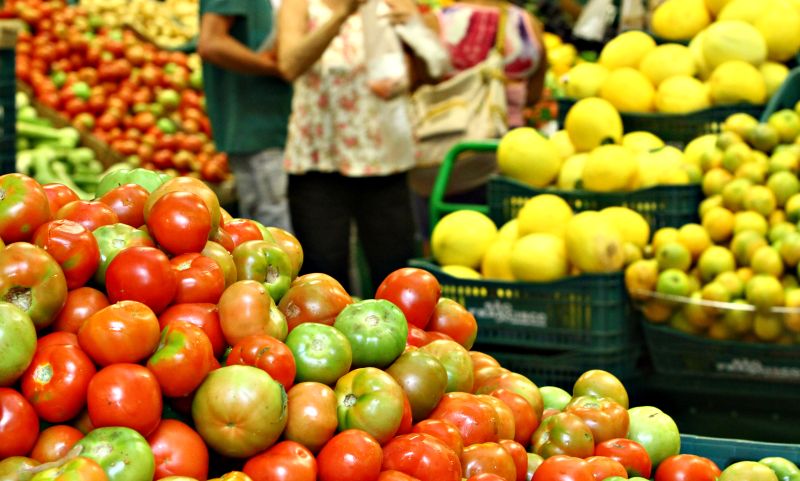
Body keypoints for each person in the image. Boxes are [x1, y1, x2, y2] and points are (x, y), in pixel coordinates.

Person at [277, 0, 441, 294]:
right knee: (323, 272)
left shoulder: (390, 4)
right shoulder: (300, 4)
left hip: (384, 159)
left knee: (395, 269)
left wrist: (418, 29)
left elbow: (432, 73)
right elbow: (289, 65)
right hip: (317, 158)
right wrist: (341, 15)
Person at [408, 0, 548, 237]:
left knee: (446, 243)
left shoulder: (435, 24)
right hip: (511, 158)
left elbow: (410, 85)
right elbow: (533, 97)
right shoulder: (528, 25)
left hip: (447, 160)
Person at [197, 0, 293, 232]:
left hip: (261, 124)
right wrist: (276, 66)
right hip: (257, 125)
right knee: (272, 224)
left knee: (261, 225)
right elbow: (211, 42)